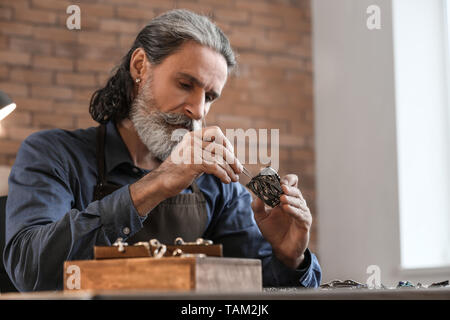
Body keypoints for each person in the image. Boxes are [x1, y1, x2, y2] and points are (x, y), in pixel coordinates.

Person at [3, 9, 321, 292]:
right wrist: (156, 184)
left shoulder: (214, 185)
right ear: (140, 66)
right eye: (185, 84)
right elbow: (31, 271)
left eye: (209, 96)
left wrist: (289, 257)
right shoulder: (54, 154)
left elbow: (251, 292)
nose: (198, 110)